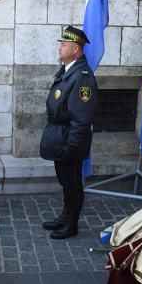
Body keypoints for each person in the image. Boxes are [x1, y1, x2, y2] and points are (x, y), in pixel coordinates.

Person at [39, 26, 97, 240]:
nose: (59, 48)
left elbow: (82, 119)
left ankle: (72, 223)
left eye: (63, 45)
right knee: (65, 182)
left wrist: (72, 147)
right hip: (60, 136)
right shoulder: (68, 70)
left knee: (72, 184)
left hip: (69, 139)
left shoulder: (82, 77)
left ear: (75, 49)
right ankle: (65, 216)